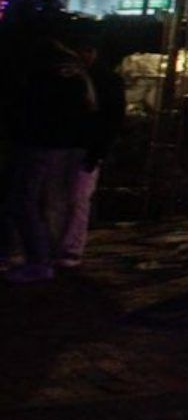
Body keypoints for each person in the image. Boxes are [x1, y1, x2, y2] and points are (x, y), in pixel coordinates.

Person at [4, 30, 95, 284]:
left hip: (38, 143)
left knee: (25, 200)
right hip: (67, 145)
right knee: (52, 202)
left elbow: (26, 106)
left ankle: (37, 260)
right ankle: (48, 256)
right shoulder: (76, 73)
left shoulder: (39, 70)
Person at [45, 35, 123, 267]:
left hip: (79, 146)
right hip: (75, 145)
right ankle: (64, 247)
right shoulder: (92, 79)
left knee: (72, 198)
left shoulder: (96, 79)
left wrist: (98, 150)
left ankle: (67, 247)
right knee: (67, 198)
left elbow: (111, 119)